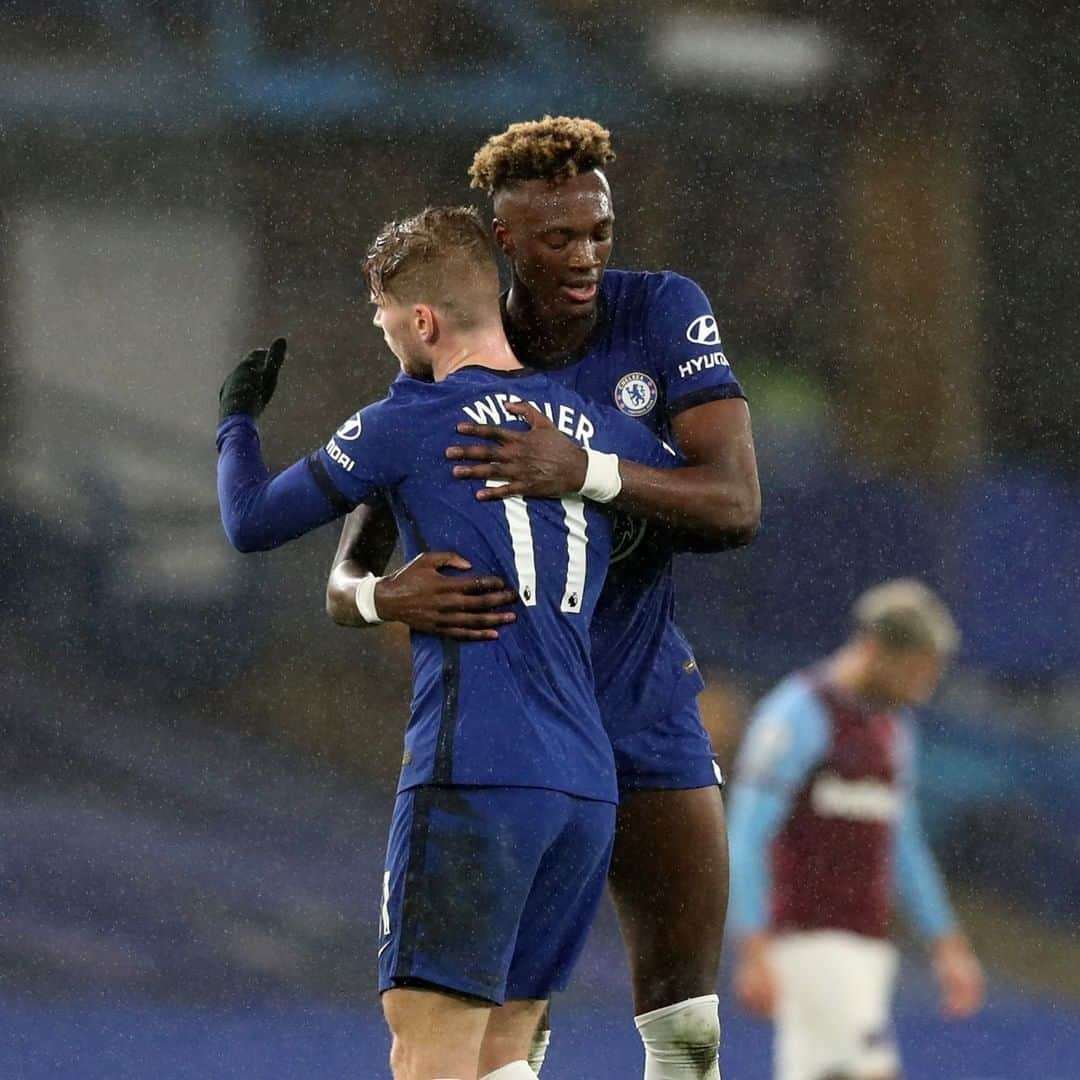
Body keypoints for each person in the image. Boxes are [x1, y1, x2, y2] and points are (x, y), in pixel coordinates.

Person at [326, 116, 761, 1080]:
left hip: (641, 690)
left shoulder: (659, 311)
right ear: (504, 243)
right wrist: (378, 601)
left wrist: (587, 469)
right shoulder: (455, 343)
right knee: (507, 1026)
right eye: (558, 237)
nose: (586, 254)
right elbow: (351, 567)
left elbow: (734, 505)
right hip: (515, 710)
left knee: (686, 1020)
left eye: (599, 230)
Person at [215, 206, 680, 1080]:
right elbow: (686, 508)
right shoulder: (588, 428)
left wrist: (236, 420)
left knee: (428, 1056)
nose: (384, 331)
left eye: (383, 315)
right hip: (583, 792)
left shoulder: (411, 421)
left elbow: (249, 521)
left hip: (476, 773)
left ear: (420, 320)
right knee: (506, 1057)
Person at [727, 579, 986, 1080]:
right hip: (810, 939)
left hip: (867, 942)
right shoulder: (799, 713)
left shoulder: (894, 729)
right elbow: (746, 835)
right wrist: (752, 945)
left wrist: (945, 941)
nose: (924, 687)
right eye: (915, 669)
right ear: (873, 647)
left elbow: (903, 843)